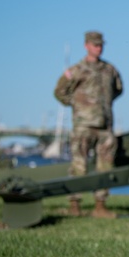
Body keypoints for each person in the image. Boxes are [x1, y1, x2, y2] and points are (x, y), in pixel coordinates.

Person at [53, 30, 123, 219]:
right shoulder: (76, 70)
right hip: (83, 125)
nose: (98, 48)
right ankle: (74, 205)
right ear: (86, 46)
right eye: (94, 44)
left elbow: (118, 89)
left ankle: (100, 206)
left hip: (105, 126)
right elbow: (59, 91)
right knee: (78, 166)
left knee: (105, 167)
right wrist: (78, 105)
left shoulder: (110, 70)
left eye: (100, 45)